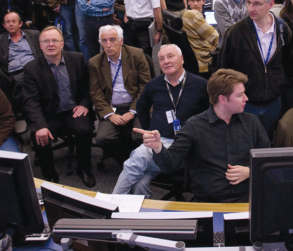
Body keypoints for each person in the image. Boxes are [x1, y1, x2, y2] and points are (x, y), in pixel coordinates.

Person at [134, 68, 269, 202]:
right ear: (222, 99)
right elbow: (171, 164)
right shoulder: (194, 127)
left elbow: (267, 158)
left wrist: (250, 171)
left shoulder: (252, 122)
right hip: (209, 201)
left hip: (247, 198)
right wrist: (158, 147)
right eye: (240, 95)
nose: (246, 98)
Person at [112, 43, 209, 197]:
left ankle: (113, 202)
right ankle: (139, 213)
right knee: (140, 182)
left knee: (139, 157)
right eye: (162, 59)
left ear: (182, 59)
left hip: (186, 144)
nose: (166, 61)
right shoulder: (154, 85)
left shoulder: (200, 85)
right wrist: (150, 130)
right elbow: (142, 107)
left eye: (170, 56)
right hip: (160, 139)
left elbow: (210, 113)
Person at [218, 0, 293, 138]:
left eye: (257, 4)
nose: (251, 8)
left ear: (271, 3)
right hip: (245, 103)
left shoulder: (282, 29)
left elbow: (287, 65)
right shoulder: (236, 32)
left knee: (269, 143)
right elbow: (224, 69)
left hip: (274, 102)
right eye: (248, 2)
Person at [22, 27, 95, 186]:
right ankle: (49, 175)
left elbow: (87, 88)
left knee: (84, 129)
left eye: (55, 40)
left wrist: (84, 105)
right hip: (49, 114)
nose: (50, 44)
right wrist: (40, 125)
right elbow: (30, 101)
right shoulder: (31, 69)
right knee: (39, 136)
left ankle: (84, 168)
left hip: (73, 110)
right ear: (40, 45)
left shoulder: (77, 59)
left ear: (62, 43)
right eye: (46, 41)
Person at [89, 25, 150, 159]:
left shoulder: (136, 55)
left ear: (121, 41)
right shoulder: (95, 63)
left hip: (136, 104)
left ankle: (138, 159)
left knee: (141, 135)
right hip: (113, 108)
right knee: (102, 139)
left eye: (112, 40)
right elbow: (95, 93)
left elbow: (146, 86)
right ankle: (124, 159)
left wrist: (132, 111)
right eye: (104, 41)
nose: (108, 45)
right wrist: (110, 114)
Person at [0, 11, 41, 75]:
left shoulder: (34, 35)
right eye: (8, 22)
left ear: (20, 24)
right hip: (13, 75)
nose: (11, 24)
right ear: (4, 25)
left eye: (14, 21)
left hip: (35, 71)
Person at [182, 0, 219, 74]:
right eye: (192, 0)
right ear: (188, 2)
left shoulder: (187, 14)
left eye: (198, 0)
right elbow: (215, 37)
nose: (195, 4)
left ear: (203, 1)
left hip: (196, 56)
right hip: (204, 60)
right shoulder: (193, 15)